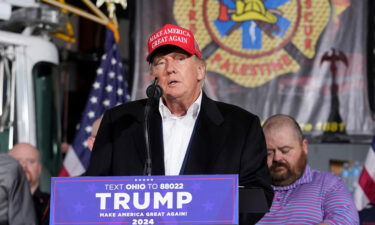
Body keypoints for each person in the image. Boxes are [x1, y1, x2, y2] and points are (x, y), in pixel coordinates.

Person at [86, 24, 273, 224]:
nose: (170, 69)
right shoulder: (120, 121)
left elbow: (258, 196)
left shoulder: (241, 126)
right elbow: (93, 191)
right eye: (160, 62)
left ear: (200, 70)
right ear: (152, 76)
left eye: (180, 59)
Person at [256, 114, 359, 224]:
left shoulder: (329, 184)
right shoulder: (250, 187)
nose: (277, 158)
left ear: (304, 147)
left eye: (285, 150)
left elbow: (345, 221)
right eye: (269, 153)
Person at [9, 143, 50, 225]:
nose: (24, 166)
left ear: (39, 168)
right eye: (17, 161)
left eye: (31, 161)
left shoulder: (55, 205)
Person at [0, 153, 37, 224]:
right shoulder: (9, 167)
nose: (25, 165)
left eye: (31, 161)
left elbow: (23, 221)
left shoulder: (10, 168)